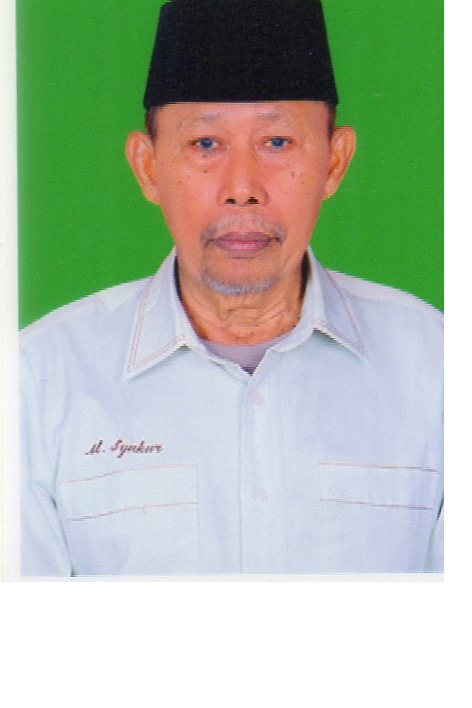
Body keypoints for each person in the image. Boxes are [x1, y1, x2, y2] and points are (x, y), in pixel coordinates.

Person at [20, 0, 443, 576]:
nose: (242, 187)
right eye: (205, 144)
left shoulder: (438, 367)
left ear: (334, 162)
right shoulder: (39, 378)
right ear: (147, 166)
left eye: (277, 142)